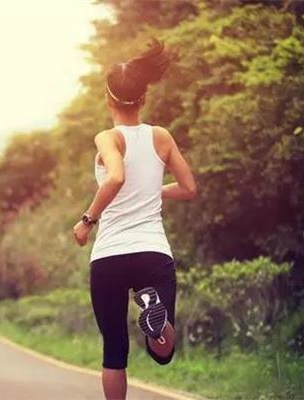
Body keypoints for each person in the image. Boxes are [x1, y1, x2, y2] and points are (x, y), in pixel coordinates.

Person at [72, 39, 197, 400]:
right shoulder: (161, 137)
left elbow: (115, 177)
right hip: (152, 253)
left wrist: (86, 220)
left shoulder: (107, 137)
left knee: (114, 351)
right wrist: (152, 190)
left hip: (109, 255)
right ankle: (154, 317)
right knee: (162, 351)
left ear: (108, 99)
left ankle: (152, 315)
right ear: (143, 99)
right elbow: (189, 187)